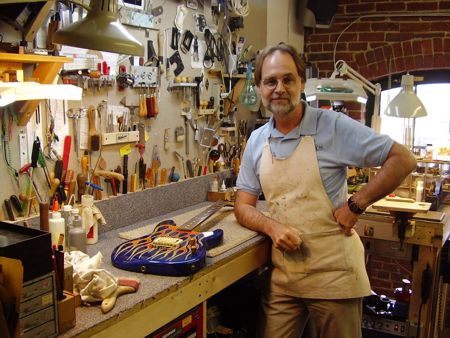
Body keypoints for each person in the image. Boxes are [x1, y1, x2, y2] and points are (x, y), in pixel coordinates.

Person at [234, 43, 417, 338]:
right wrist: (272, 227)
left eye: (288, 79)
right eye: (270, 81)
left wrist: (356, 204)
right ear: (259, 87)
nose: (279, 88)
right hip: (284, 279)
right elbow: (242, 205)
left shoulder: (331, 126)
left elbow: (403, 159)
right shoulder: (257, 141)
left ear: (301, 83)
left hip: (335, 276)